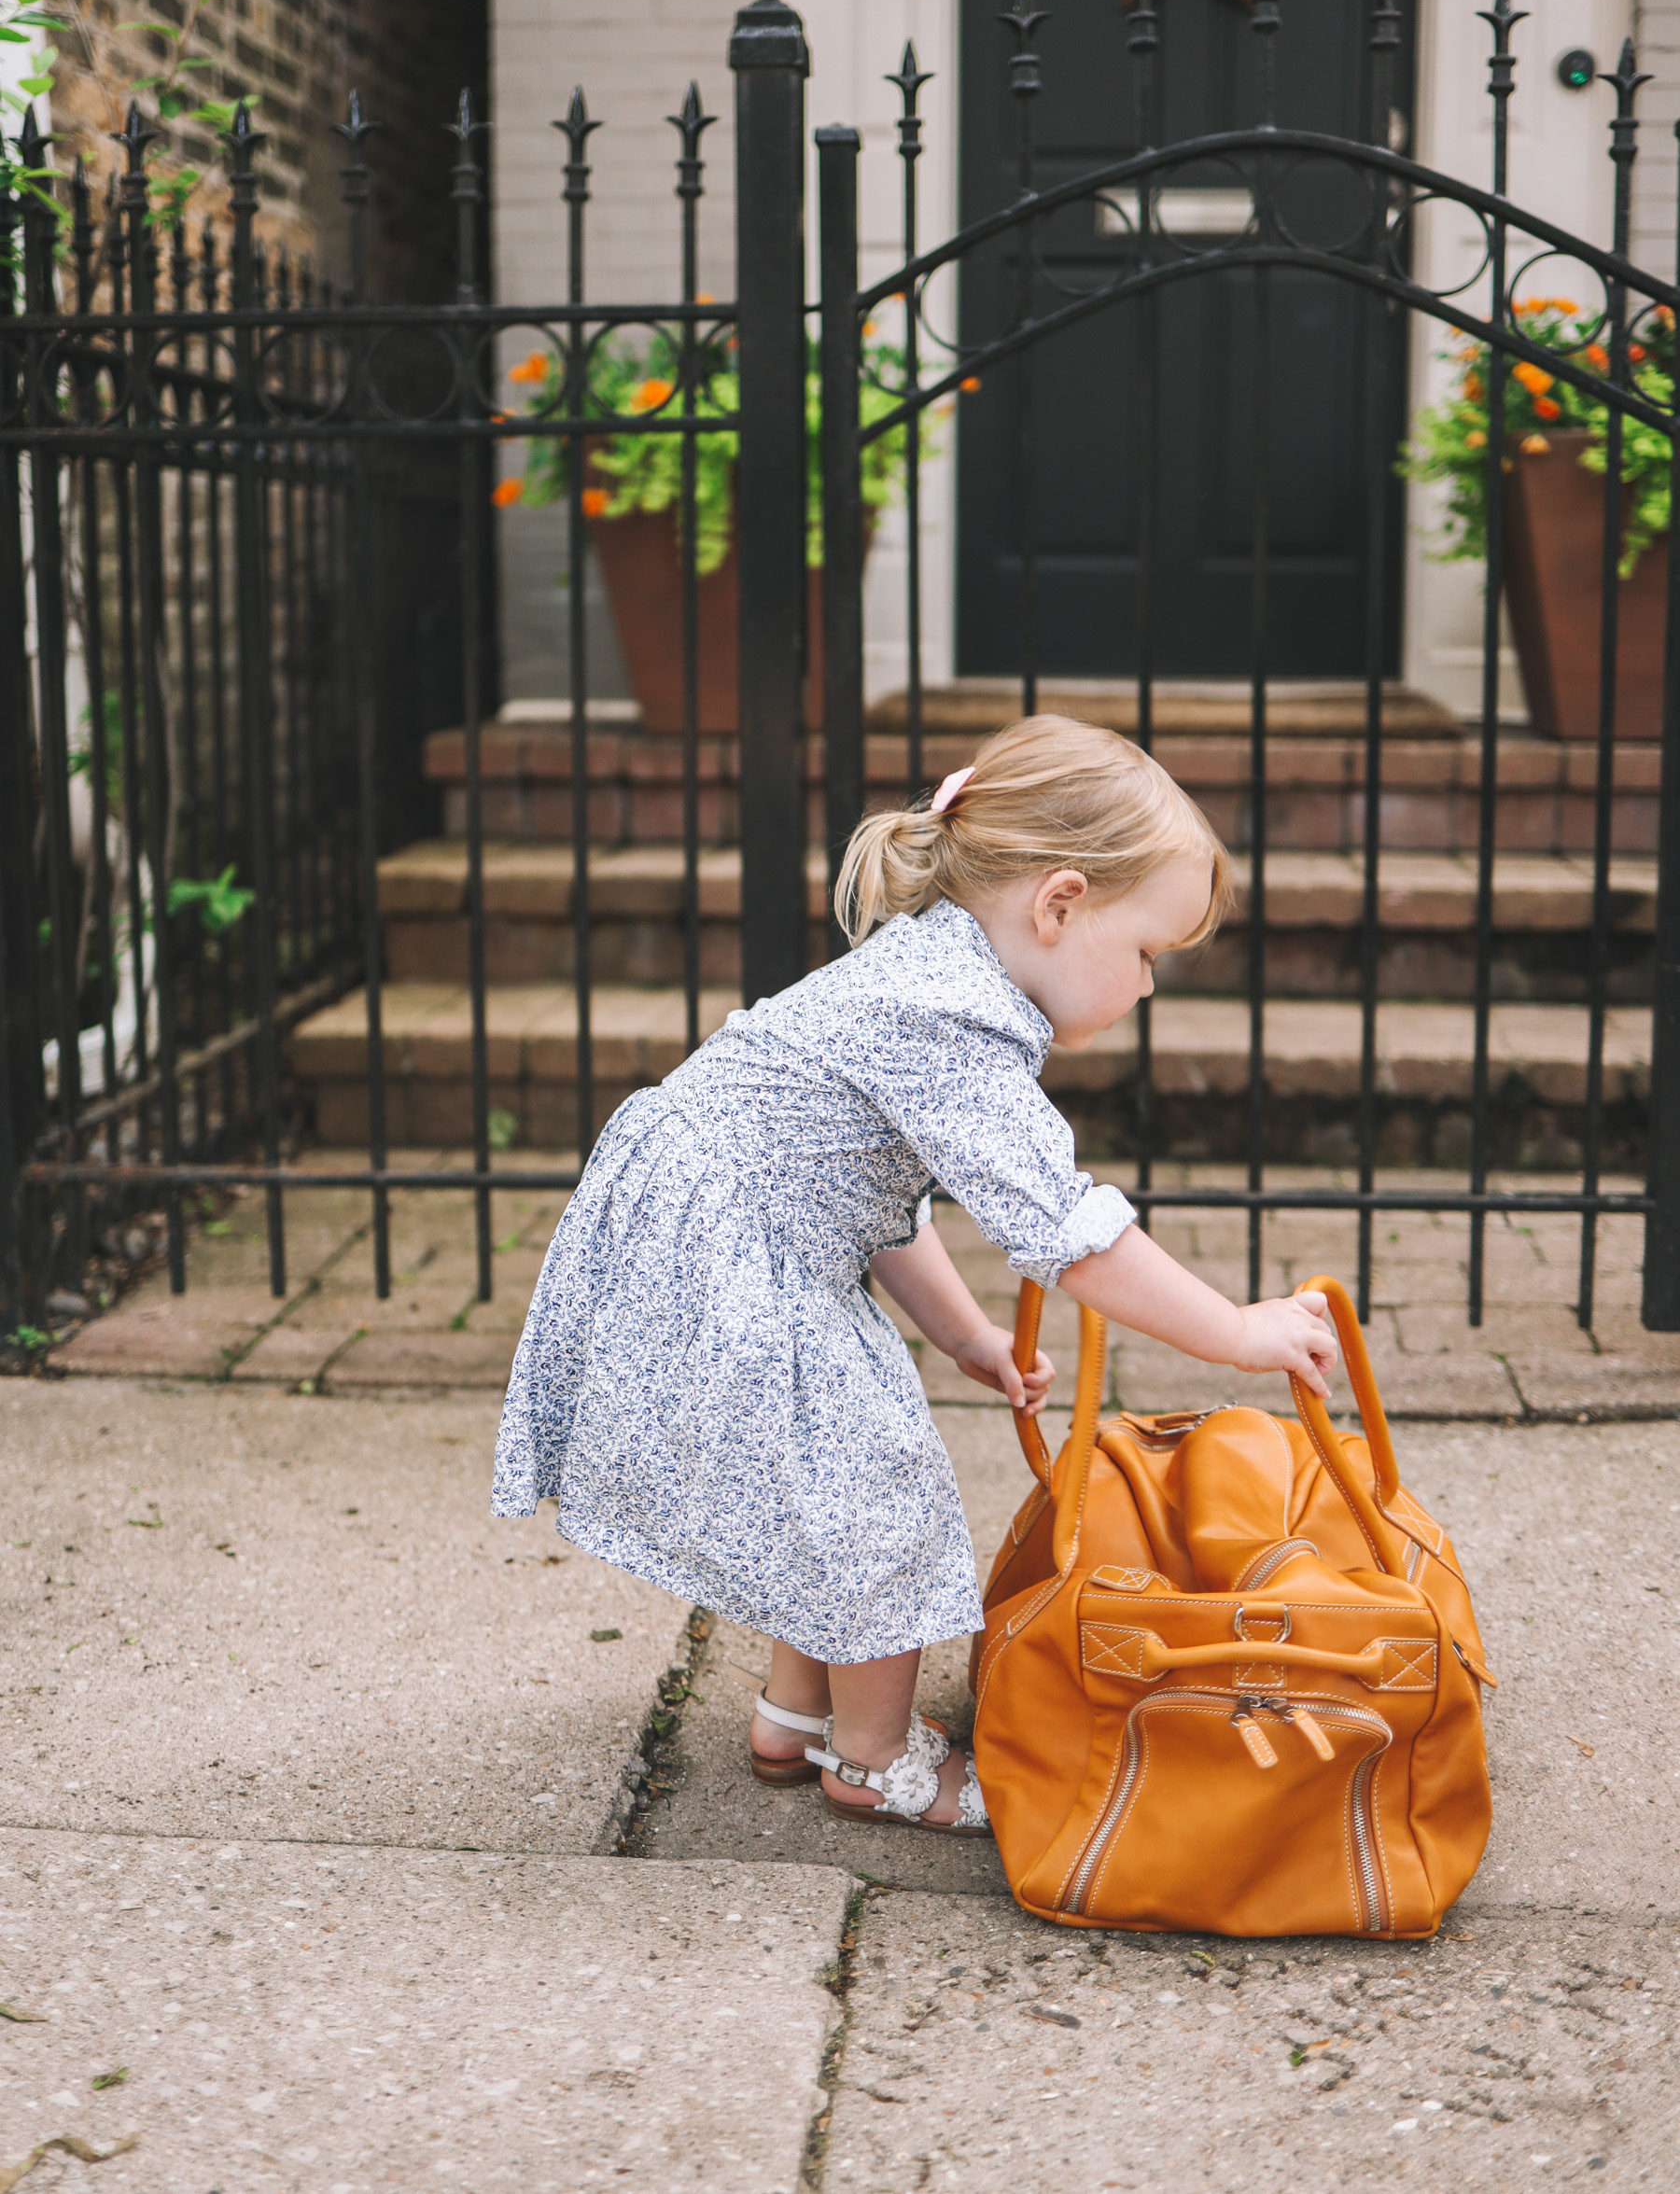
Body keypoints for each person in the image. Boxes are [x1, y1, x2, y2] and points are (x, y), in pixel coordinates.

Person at [492, 715, 1339, 1834]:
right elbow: (1074, 1236)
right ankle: (876, 1759)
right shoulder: (954, 1017)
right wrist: (1237, 1332)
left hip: (725, 1226)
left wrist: (966, 1338)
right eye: (1146, 955)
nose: (1145, 988)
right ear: (1061, 902)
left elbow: (879, 1206)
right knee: (878, 1495)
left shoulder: (932, 971)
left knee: (826, 1479)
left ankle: (799, 1714)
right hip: (725, 1243)